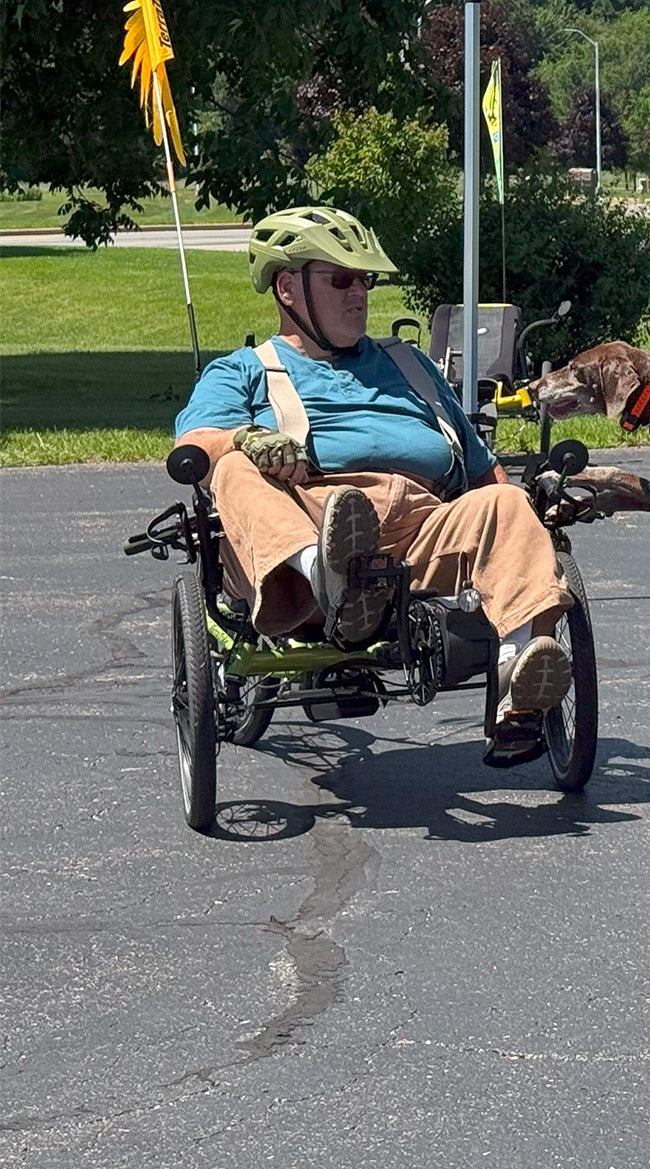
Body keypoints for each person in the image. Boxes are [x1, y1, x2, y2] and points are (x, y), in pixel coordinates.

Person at [173, 206, 572, 765]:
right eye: (341, 278)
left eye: (365, 279)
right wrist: (244, 439)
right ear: (288, 287)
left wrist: (529, 527)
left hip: (419, 528)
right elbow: (192, 445)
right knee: (233, 467)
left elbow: (483, 471)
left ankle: (519, 677)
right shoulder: (244, 368)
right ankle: (328, 576)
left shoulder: (409, 364)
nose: (359, 292)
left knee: (505, 502)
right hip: (305, 519)